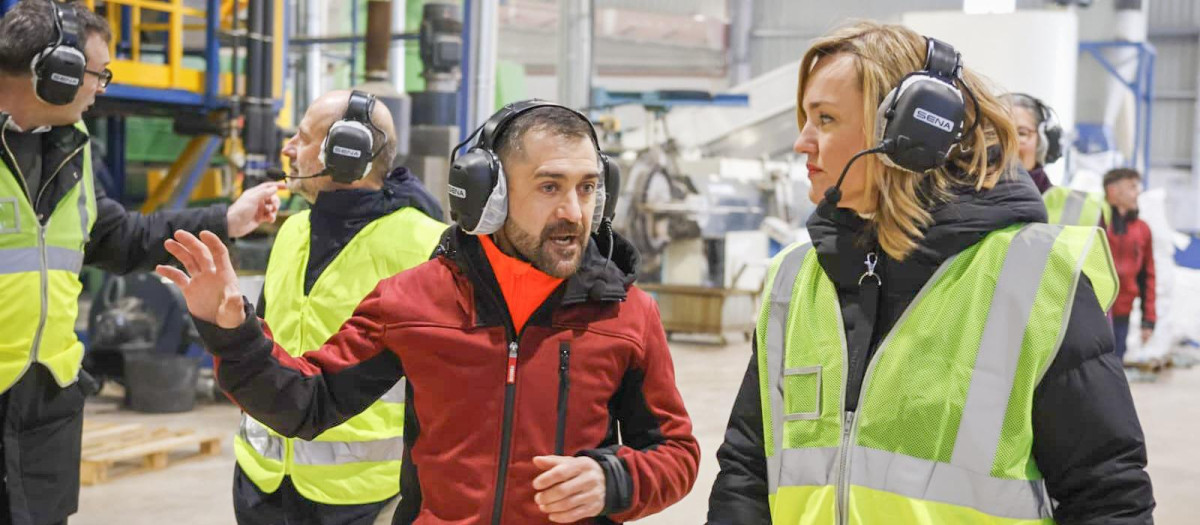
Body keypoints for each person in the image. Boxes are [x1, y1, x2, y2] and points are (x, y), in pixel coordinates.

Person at [158, 101, 699, 524]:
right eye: (550, 187)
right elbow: (309, 401)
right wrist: (233, 332)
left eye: (587, 189)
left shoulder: (627, 315)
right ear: (490, 195)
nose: (573, 213)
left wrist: (616, 479)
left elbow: (675, 452)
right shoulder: (414, 300)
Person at [707, 21, 1154, 524]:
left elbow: (1108, 497)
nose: (802, 143)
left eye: (825, 119)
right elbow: (746, 468)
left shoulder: (1033, 282)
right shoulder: (794, 279)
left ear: (910, 134)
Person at [0, 1, 281, 524]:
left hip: (45, 406)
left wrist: (229, 218)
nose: (99, 87)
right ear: (53, 72)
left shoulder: (69, 149)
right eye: (95, 74)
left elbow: (121, 237)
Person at [232, 90, 447, 525]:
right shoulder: (292, 231)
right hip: (263, 482)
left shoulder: (427, 245)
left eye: (304, 137)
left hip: (364, 497)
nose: (288, 148)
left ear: (349, 153)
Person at [1007, 92, 1107, 226]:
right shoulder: (971, 204)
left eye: (1021, 133)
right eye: (993, 133)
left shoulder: (1083, 210)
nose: (1007, 144)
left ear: (1044, 144)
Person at [1103, 168, 1156, 361]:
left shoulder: (1142, 230)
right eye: (1132, 186)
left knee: (1116, 364)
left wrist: (1148, 319)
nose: (1138, 192)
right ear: (1113, 191)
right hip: (1096, 312)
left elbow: (1147, 276)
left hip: (1122, 315)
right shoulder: (1098, 224)